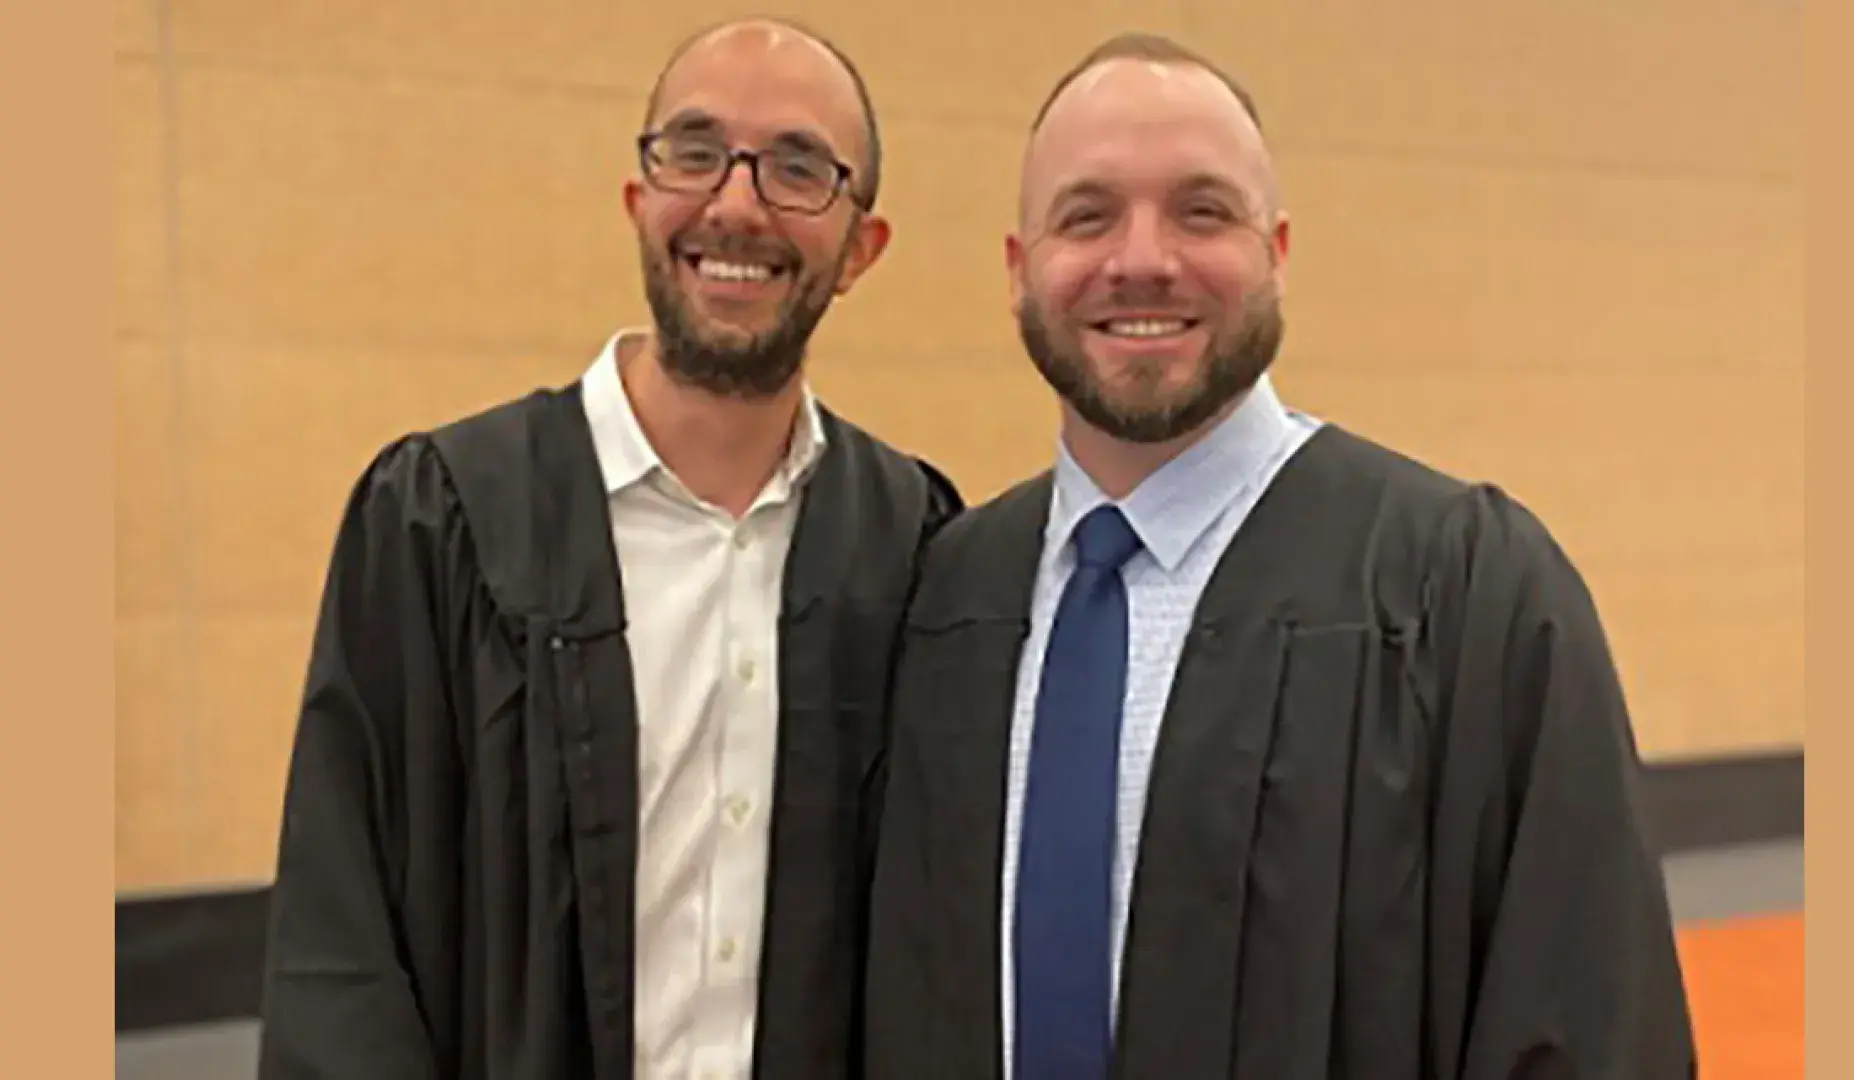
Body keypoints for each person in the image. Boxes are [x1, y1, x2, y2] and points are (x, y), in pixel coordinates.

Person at [863, 32, 1696, 1080]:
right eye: (1087, 215)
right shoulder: (949, 596)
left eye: (1202, 211)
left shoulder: (1465, 594)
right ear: (1020, 272)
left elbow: (1585, 1027)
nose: (1143, 258)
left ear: (1278, 253)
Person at [257, 18, 961, 1080]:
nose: (736, 202)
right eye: (694, 149)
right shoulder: (441, 517)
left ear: (861, 249)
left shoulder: (912, 542)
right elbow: (343, 939)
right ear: (640, 201)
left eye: (798, 167)